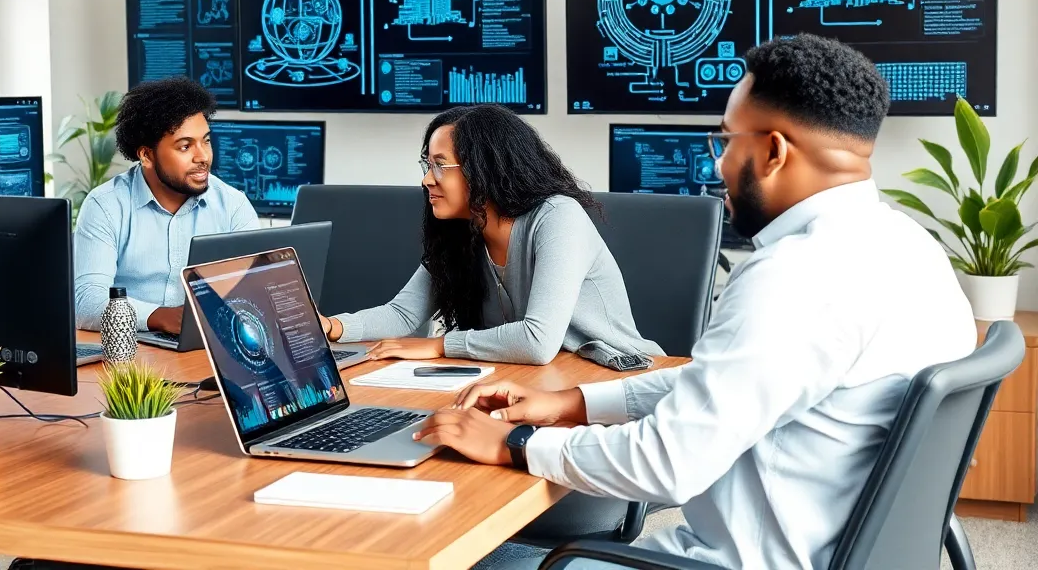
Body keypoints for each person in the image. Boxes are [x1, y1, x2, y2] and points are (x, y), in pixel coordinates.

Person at [418, 35, 977, 570]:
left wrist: (517, 443)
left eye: (727, 141)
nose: (718, 164)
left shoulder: (791, 278)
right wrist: (572, 403)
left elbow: (666, 463)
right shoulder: (911, 249)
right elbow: (720, 384)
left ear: (774, 151)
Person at [320, 104, 661, 367]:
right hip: (537, 382)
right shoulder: (461, 234)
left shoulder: (558, 217)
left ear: (485, 169)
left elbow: (537, 341)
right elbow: (402, 315)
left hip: (619, 380)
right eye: (427, 165)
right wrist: (331, 327)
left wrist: (439, 346)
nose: (427, 180)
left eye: (441, 165)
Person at [73, 78, 259, 334]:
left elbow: (257, 290)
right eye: (185, 146)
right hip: (132, 353)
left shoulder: (233, 205)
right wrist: (158, 316)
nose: (203, 156)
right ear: (147, 155)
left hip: (205, 348)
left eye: (205, 141)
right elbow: (86, 302)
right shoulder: (105, 206)